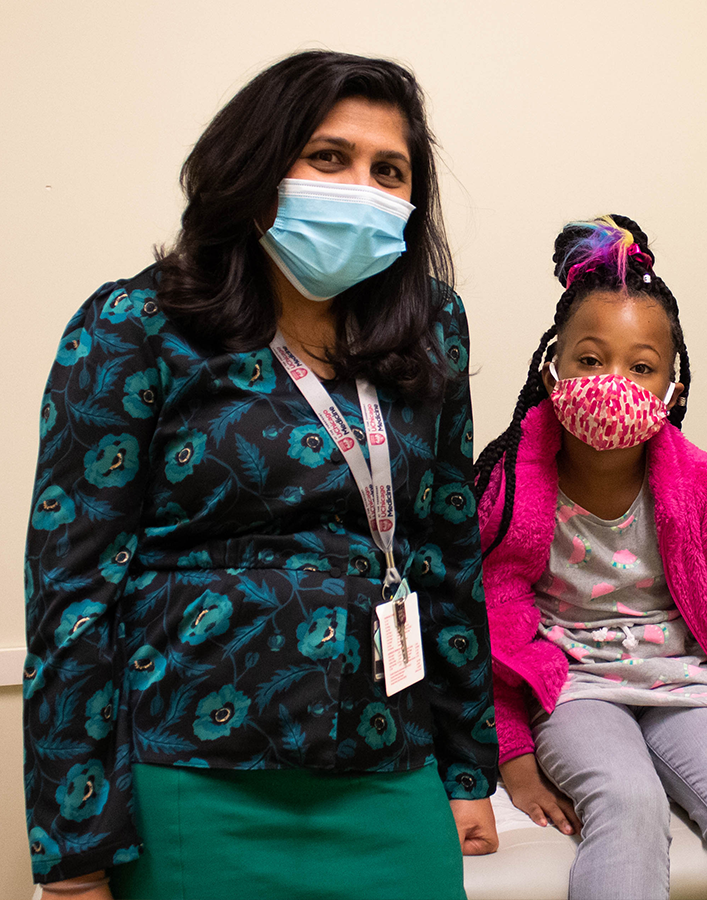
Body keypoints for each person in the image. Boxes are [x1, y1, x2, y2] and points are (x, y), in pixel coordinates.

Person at [23, 50, 498, 900]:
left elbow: (446, 552)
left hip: (390, 767)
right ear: (254, 167)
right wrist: (73, 851)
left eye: (388, 171)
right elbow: (72, 594)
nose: (361, 189)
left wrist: (466, 770)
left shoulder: (431, 328)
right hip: (191, 777)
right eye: (329, 158)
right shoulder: (136, 324)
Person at [474, 215, 707, 900]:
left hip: (685, 688)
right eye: (590, 360)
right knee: (629, 804)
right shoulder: (506, 490)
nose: (613, 383)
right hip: (574, 690)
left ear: (672, 391)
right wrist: (512, 754)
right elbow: (490, 630)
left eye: (641, 368)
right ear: (552, 371)